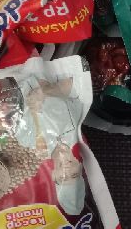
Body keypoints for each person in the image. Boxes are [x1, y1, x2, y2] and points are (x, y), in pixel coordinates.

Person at [16, 76, 86, 215]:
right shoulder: (76, 128)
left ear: (53, 176)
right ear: (80, 166)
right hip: (51, 69)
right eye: (74, 174)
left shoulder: (28, 142)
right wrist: (46, 91)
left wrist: (33, 98)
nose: (67, 170)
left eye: (63, 178)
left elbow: (10, 104)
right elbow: (74, 83)